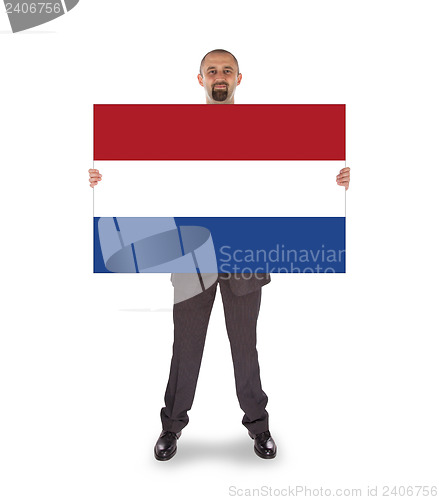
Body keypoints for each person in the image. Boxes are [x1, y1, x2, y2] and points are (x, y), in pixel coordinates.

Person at [89, 49, 351, 462]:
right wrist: (108, 180)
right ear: (200, 80)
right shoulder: (174, 131)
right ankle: (171, 427)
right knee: (186, 347)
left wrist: (329, 180)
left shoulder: (266, 131)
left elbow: (288, 177)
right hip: (192, 258)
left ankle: (258, 426)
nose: (219, 76)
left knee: (245, 347)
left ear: (239, 78)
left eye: (226, 70)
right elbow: (149, 176)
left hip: (245, 258)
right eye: (212, 70)